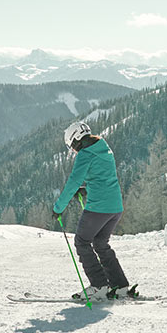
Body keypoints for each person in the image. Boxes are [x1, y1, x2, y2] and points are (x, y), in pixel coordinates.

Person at [53, 121, 136, 302]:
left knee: (81, 242)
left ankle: (99, 286)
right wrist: (86, 190)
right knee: (100, 243)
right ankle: (120, 285)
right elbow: (103, 178)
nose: (74, 151)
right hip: (115, 208)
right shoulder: (104, 148)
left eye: (73, 147)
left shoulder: (85, 154)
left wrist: (58, 208)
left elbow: (73, 182)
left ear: (75, 139)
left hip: (98, 209)